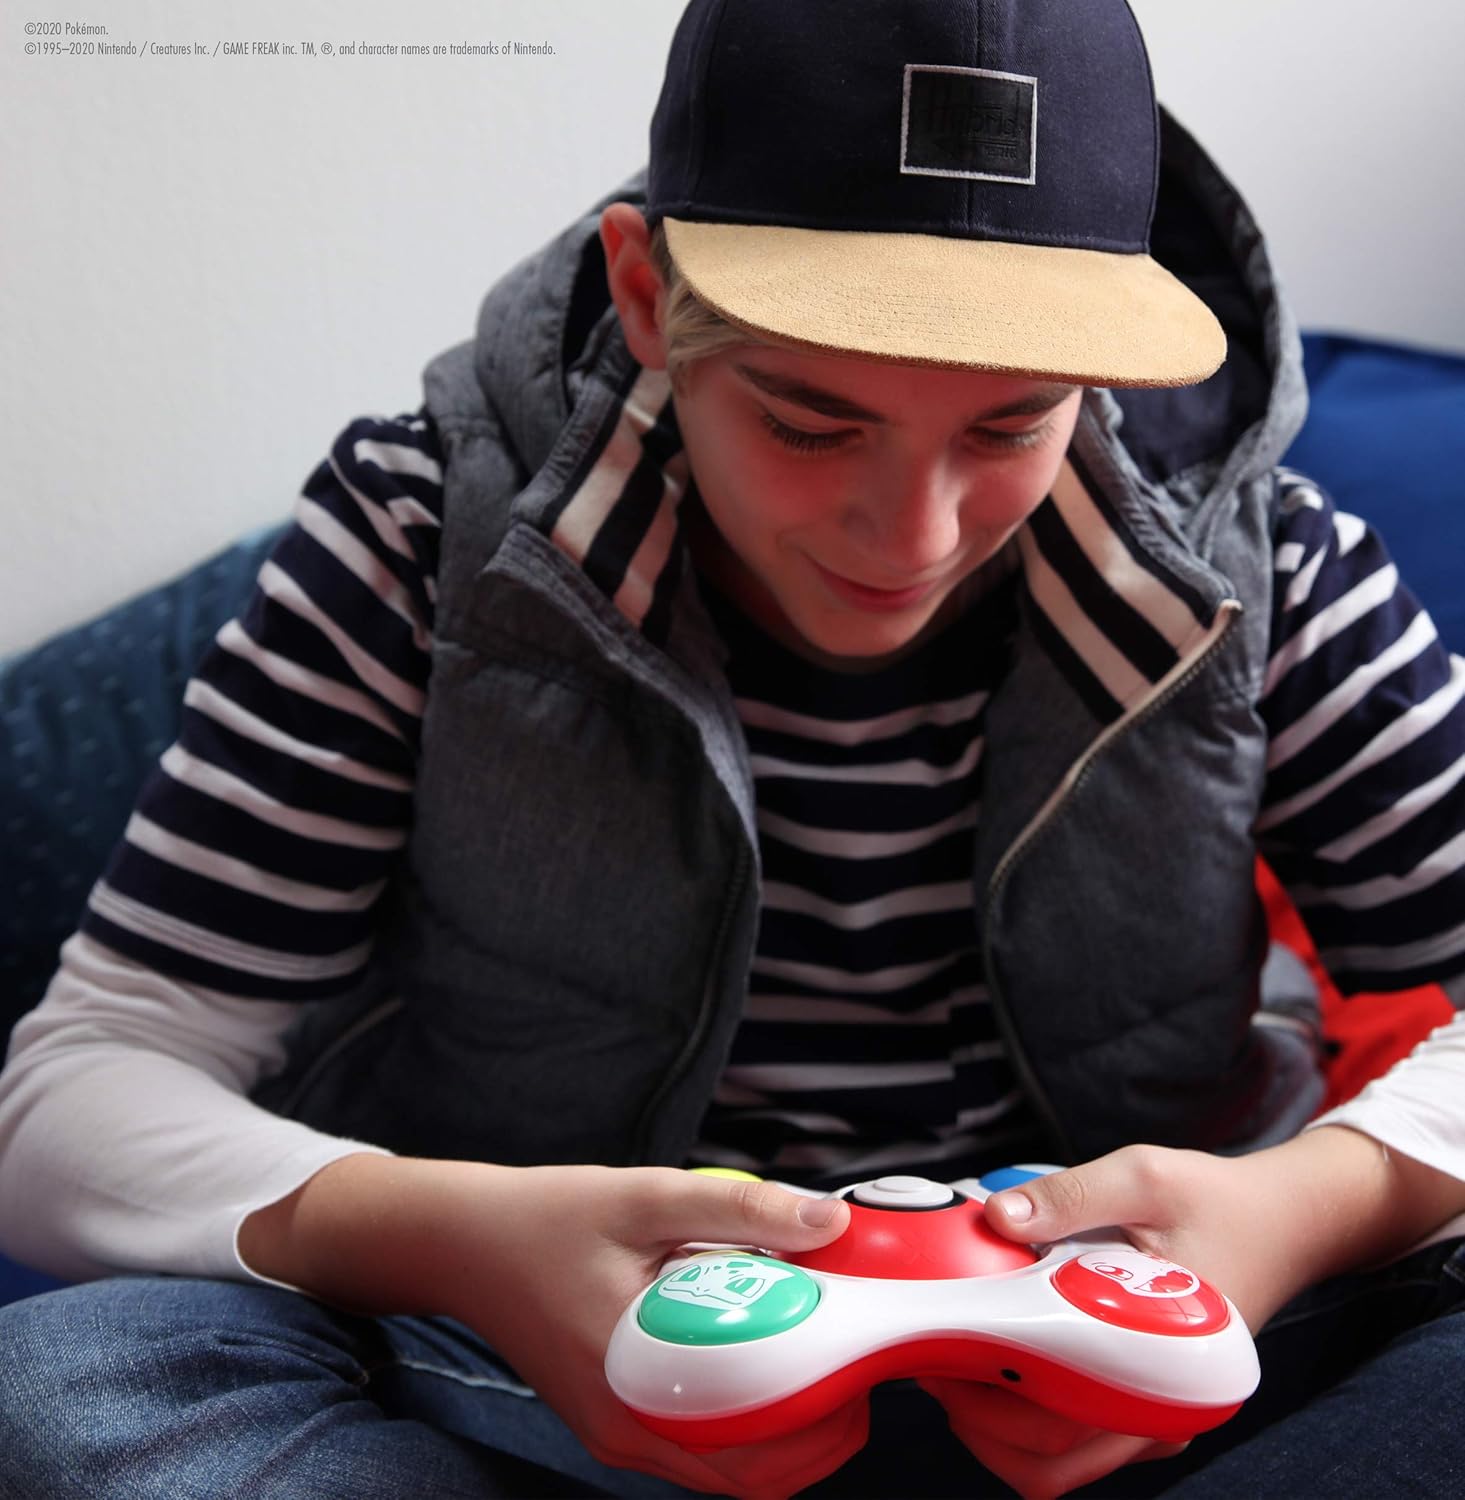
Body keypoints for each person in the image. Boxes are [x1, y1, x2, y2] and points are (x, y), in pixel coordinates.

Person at [2, 1, 1463, 1495]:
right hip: (533, 1375)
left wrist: (1306, 1212)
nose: (912, 538)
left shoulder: (1264, 570)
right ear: (647, 294)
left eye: (1010, 426)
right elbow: (84, 1089)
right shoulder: (417, 533)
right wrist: (453, 1238)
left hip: (1150, 1374)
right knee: (63, 1392)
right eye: (810, 424)